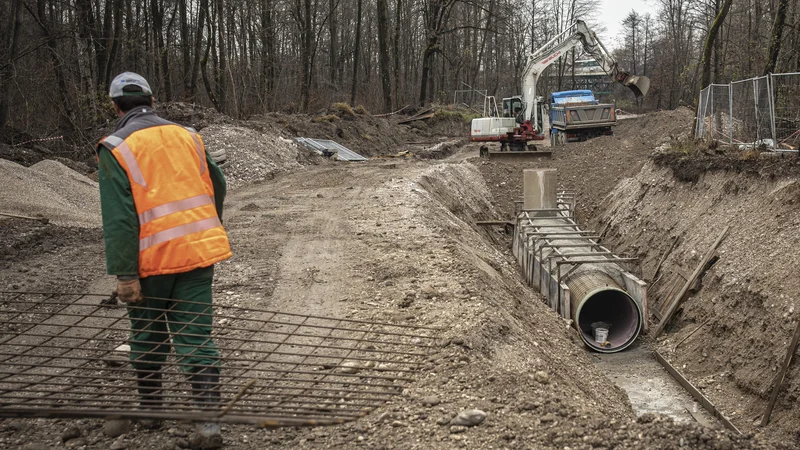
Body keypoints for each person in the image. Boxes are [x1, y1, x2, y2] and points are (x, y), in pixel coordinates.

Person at [97, 72, 231, 449]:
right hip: (199, 255)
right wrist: (205, 229)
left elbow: (120, 218)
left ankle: (152, 412)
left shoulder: (115, 147)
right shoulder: (188, 135)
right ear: (152, 101)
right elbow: (217, 184)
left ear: (115, 106)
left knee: (147, 335)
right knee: (196, 337)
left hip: (150, 262)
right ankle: (209, 429)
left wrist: (125, 274)